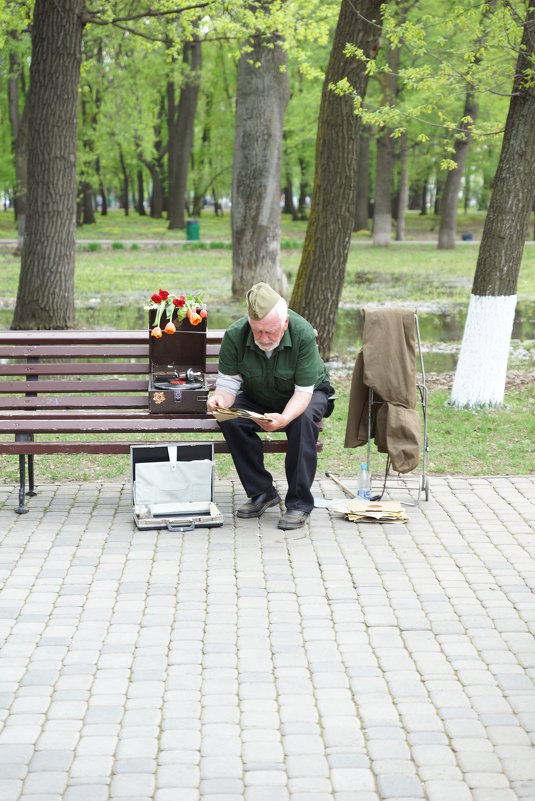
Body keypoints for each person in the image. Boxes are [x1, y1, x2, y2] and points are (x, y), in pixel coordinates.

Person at [206, 282, 335, 530]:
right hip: (259, 393)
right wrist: (220, 400)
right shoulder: (235, 334)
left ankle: (298, 503)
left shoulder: (303, 333)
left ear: (285, 323)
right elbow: (228, 384)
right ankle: (262, 492)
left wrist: (284, 419)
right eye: (258, 332)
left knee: (303, 420)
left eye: (271, 332)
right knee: (229, 418)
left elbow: (303, 393)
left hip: (307, 392)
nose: (264, 338)